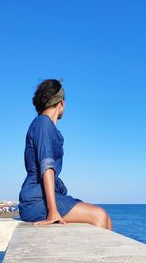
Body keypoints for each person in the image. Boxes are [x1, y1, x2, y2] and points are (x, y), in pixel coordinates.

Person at [18, 79, 113, 231]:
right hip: (36, 200)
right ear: (61, 103)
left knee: (106, 219)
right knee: (99, 215)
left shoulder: (44, 125)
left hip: (44, 197)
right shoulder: (43, 123)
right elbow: (47, 166)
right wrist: (53, 210)